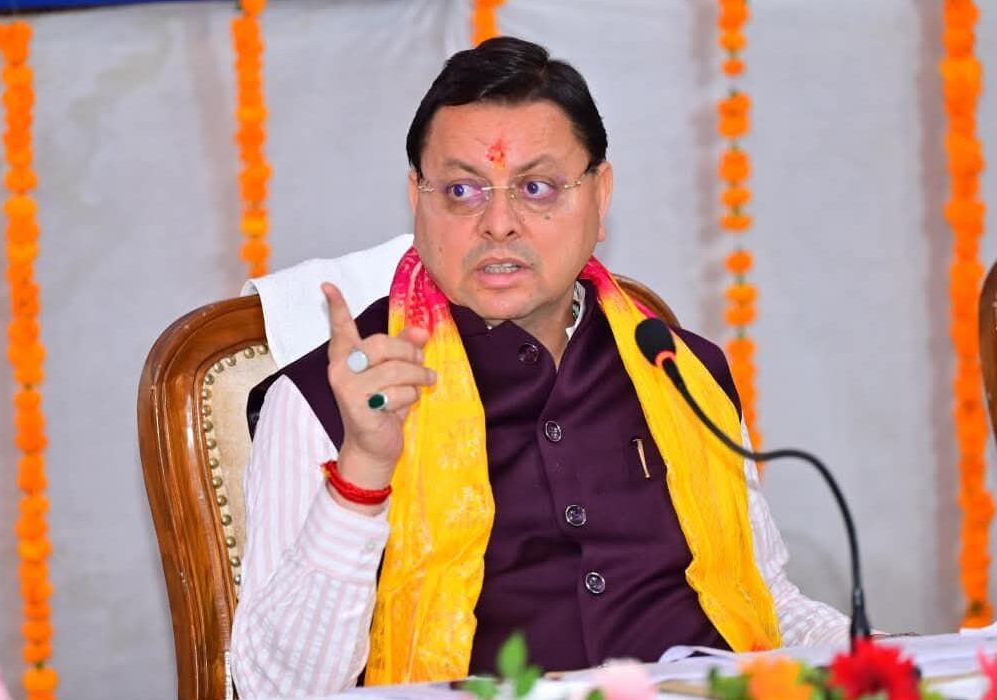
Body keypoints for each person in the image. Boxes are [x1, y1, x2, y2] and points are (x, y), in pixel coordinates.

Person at [230, 36, 848, 698]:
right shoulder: (335, 399)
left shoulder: (679, 370)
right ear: (417, 198)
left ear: (600, 196)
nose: (499, 223)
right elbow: (275, 692)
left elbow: (765, 599)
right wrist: (362, 473)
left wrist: (886, 659)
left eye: (536, 187)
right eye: (462, 190)